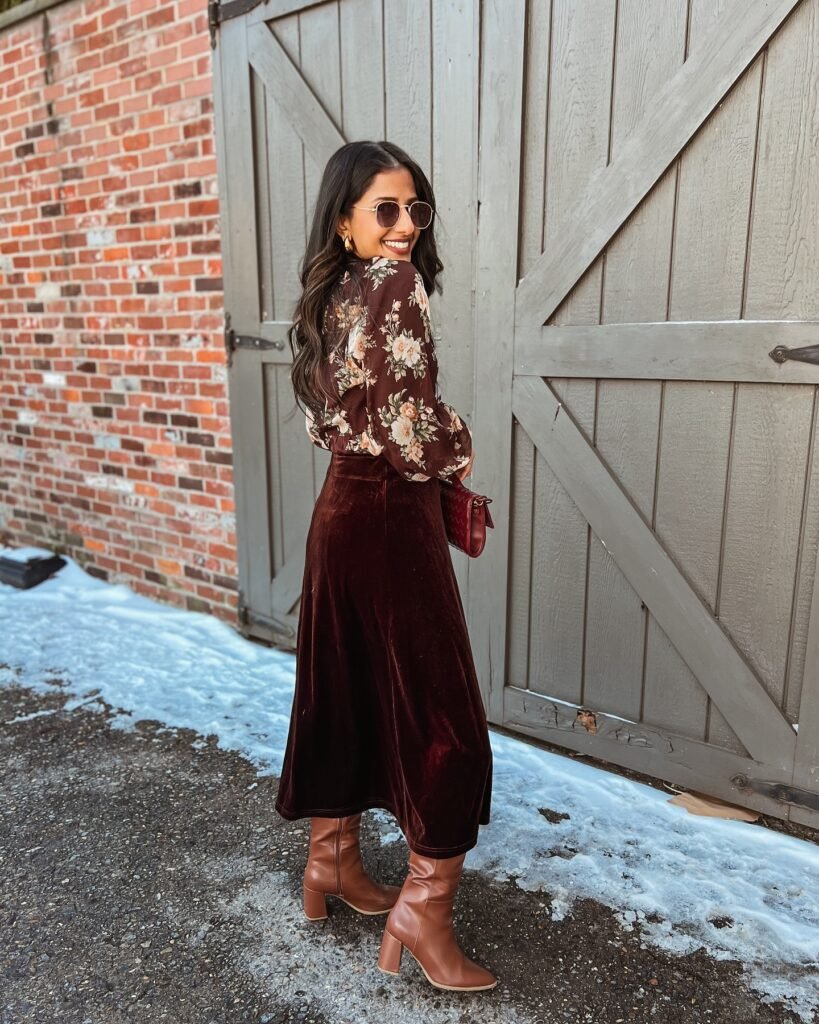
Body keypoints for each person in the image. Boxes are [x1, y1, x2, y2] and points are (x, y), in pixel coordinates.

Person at [274, 140, 496, 993]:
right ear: (346, 220)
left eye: (415, 210)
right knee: (439, 711)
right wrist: (462, 445)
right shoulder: (397, 290)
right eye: (386, 210)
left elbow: (325, 419)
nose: (405, 227)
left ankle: (330, 865)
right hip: (391, 514)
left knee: (346, 686)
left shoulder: (327, 298)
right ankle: (423, 910)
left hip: (337, 512)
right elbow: (410, 428)